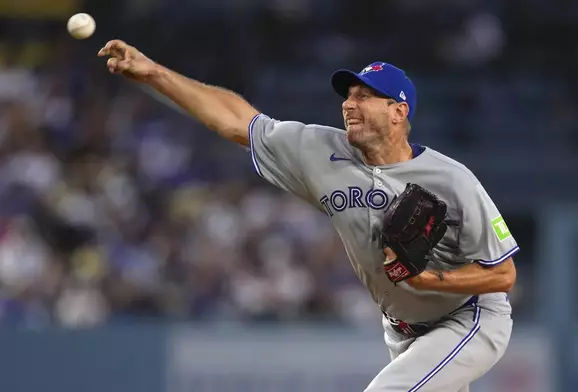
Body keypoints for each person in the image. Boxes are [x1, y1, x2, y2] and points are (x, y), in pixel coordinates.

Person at [98, 40, 519, 392]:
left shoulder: (452, 179)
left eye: (364, 96)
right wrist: (154, 74)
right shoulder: (319, 150)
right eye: (348, 96)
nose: (350, 104)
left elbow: (503, 275)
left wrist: (430, 280)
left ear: (398, 111)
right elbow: (237, 121)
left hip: (469, 317)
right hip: (402, 330)